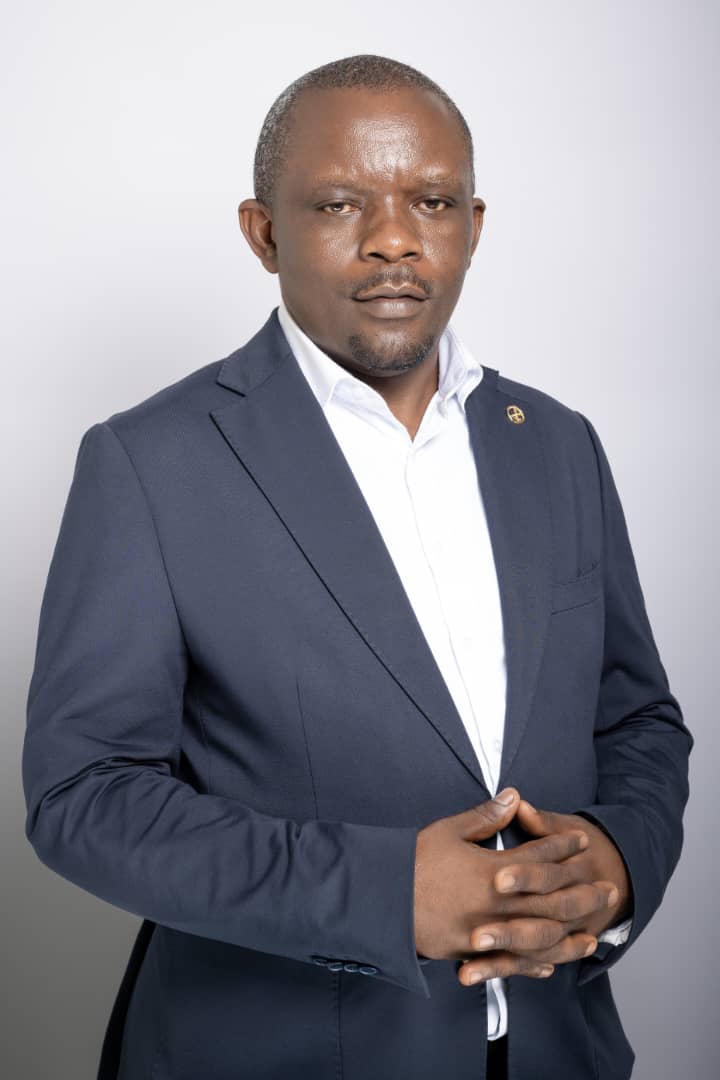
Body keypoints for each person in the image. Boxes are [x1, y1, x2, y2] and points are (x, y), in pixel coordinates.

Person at [22, 54, 692, 1080]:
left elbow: (637, 719)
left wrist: (618, 861)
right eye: (340, 203)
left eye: (433, 201)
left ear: (474, 225)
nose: (393, 237)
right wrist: (378, 894)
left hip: (557, 1047)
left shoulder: (557, 443)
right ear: (264, 233)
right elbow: (84, 796)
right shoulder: (150, 462)